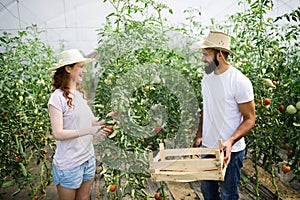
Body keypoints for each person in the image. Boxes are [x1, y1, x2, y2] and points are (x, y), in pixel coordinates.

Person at [192, 31, 256, 200]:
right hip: (208, 148)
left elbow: (250, 119)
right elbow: (207, 108)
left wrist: (230, 140)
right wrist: (199, 135)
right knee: (208, 193)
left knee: (228, 195)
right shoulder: (207, 80)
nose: (202, 59)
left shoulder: (239, 81)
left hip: (231, 151)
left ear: (219, 55)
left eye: (206, 54)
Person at [48, 49, 112, 200]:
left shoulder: (79, 94)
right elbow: (58, 133)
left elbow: (94, 122)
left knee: (83, 198)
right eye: (81, 66)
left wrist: (109, 118)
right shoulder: (57, 98)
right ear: (68, 68)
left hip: (88, 158)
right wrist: (90, 131)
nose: (84, 71)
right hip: (69, 164)